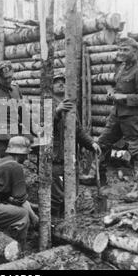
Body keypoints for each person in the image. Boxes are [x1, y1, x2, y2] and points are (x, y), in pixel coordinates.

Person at [94, 37, 138, 203]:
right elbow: (118, 88)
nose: (121, 53)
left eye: (125, 50)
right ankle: (99, 179)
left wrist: (124, 97)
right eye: (119, 50)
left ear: (135, 51)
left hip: (133, 117)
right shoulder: (121, 69)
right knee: (102, 142)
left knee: (136, 151)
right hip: (117, 114)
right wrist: (112, 92)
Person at [50, 74, 102, 214]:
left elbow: (78, 131)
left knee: (71, 190)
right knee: (57, 193)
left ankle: (69, 219)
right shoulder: (46, 103)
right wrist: (56, 112)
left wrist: (91, 143)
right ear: (51, 86)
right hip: (55, 158)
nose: (61, 84)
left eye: (63, 82)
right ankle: (55, 222)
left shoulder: (71, 105)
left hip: (71, 157)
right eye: (57, 82)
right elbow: (41, 129)